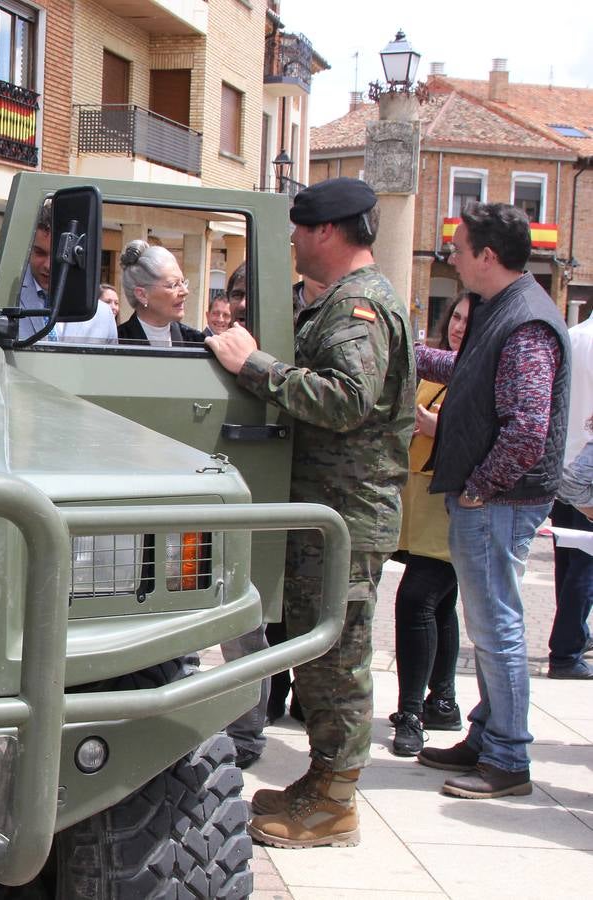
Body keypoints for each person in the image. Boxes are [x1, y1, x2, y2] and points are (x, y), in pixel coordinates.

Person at [204, 177, 414, 849]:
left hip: (344, 515)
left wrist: (256, 366)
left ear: (326, 231)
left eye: (298, 228)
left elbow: (347, 399)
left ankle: (334, 803)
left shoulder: (358, 307)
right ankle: (322, 784)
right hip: (330, 510)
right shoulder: (347, 301)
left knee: (337, 657)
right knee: (321, 649)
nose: (291, 240)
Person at [416, 202, 571, 800]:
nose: (450, 257)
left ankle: (507, 757)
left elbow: (528, 427)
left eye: (458, 248)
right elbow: (473, 370)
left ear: (486, 255)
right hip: (493, 499)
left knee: (498, 626)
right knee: (488, 624)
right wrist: (409, 355)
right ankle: (487, 736)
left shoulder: (526, 320)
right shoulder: (502, 310)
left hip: (499, 502)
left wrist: (481, 488)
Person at [389, 295, 471, 757]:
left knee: (417, 599)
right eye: (455, 317)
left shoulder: (482, 370)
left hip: (451, 500)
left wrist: (439, 428)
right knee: (440, 604)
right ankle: (442, 700)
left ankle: (412, 712)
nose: (459, 326)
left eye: (469, 320)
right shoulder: (440, 366)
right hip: (420, 497)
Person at [0, 205, 118, 343]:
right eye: (40, 253)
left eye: (58, 255)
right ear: (28, 249)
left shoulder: (102, 316)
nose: (48, 265)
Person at [546, 313, 593, 679]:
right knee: (585, 565)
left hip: (561, 459)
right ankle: (566, 650)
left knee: (569, 558)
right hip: (587, 467)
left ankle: (572, 636)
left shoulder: (571, 336)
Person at [117, 240, 205, 346]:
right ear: (142, 295)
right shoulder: (117, 342)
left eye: (183, 282)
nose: (185, 291)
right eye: (174, 285)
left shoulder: (196, 342)